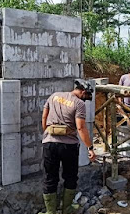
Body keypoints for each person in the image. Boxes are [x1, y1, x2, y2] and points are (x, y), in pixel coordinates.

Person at [40, 79, 96, 214]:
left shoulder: (54, 96)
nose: (86, 98)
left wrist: (48, 133)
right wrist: (90, 148)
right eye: (86, 95)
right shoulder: (79, 104)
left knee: (50, 177)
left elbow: (44, 118)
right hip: (68, 146)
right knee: (70, 176)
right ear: (82, 91)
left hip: (49, 144)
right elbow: (81, 127)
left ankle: (50, 211)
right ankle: (67, 209)